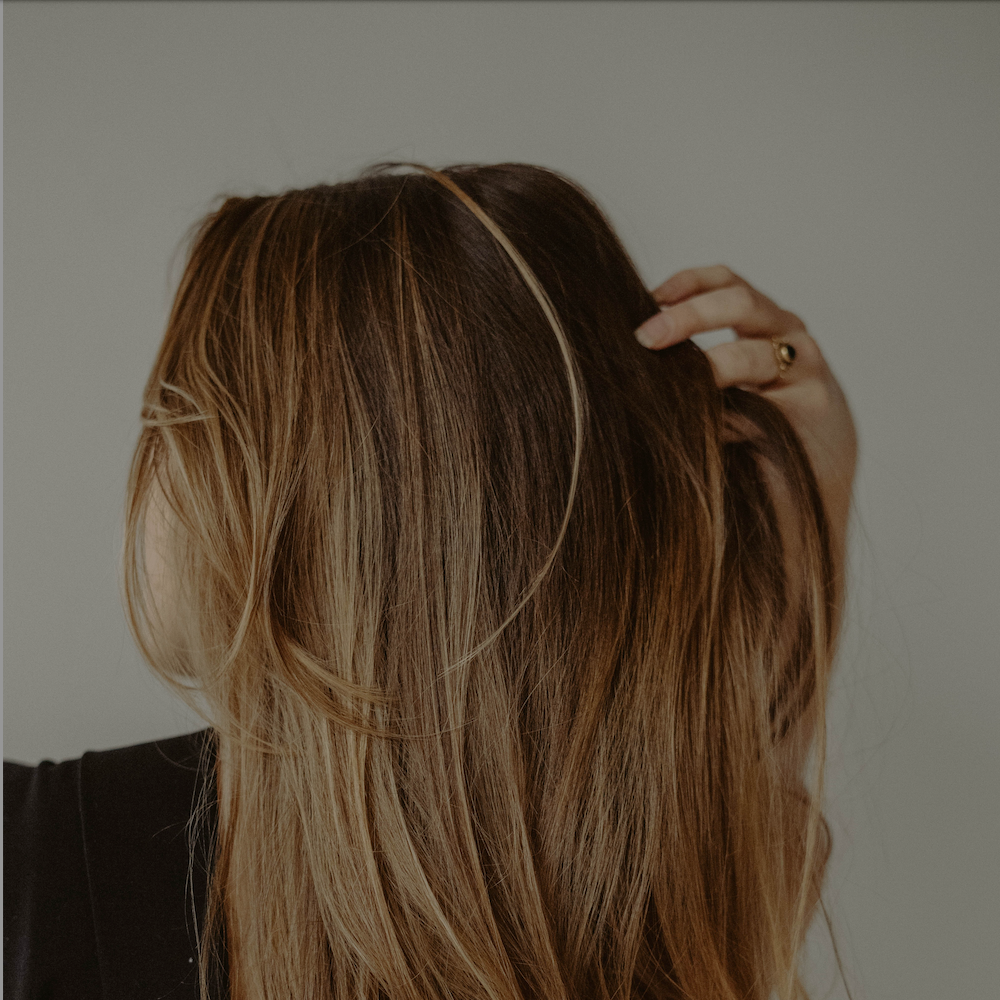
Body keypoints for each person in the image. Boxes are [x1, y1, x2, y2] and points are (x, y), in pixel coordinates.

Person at [4, 162, 857, 1000]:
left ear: (311, 516)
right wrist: (801, 540)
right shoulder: (40, 865)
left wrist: (797, 538)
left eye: (178, 419)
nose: (145, 471)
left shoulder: (34, 874)